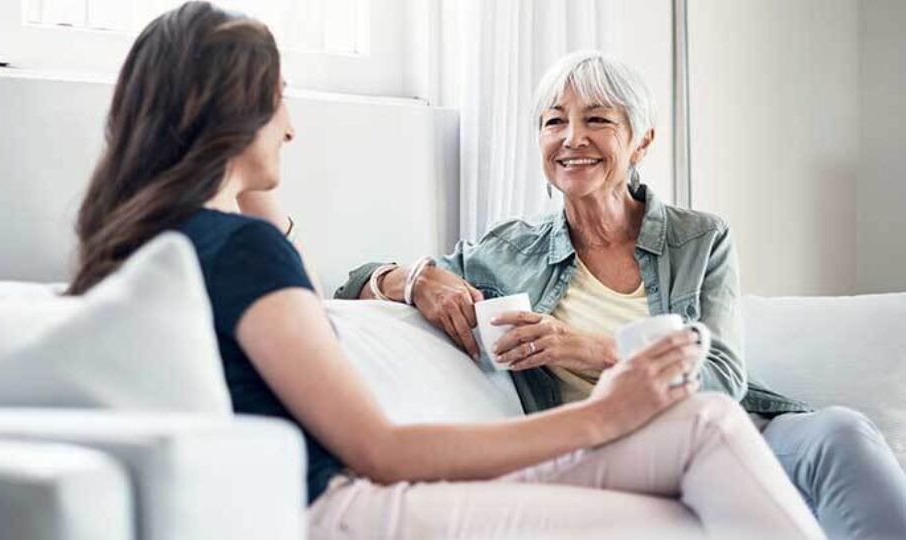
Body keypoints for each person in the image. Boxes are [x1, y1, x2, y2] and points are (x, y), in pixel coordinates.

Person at [67, 4, 825, 539]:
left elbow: (272, 236)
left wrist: (241, 176)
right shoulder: (239, 253)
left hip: (347, 497)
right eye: (279, 101)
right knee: (687, 513)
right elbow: (381, 452)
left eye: (596, 119)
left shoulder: (149, 243)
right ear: (232, 115)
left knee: (710, 421)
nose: (293, 126)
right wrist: (604, 412)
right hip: (347, 508)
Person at [337, 50, 906, 540]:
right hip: (610, 447)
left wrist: (582, 347)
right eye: (553, 120)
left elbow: (721, 382)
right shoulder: (509, 251)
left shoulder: (699, 238)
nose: (571, 138)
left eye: (597, 119)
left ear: (641, 140)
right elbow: (351, 283)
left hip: (732, 426)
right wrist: (411, 278)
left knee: (841, 431)